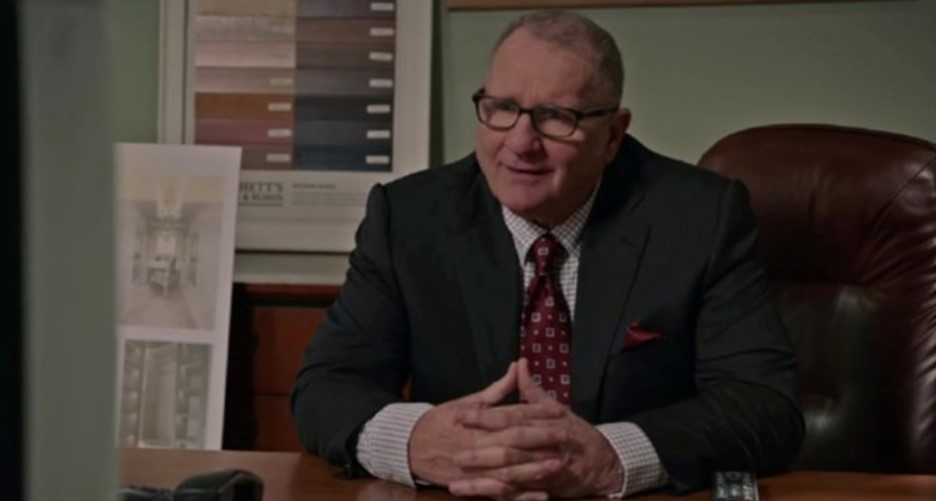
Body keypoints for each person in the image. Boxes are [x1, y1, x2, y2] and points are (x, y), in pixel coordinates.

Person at [292, 9, 804, 500]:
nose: (520, 142)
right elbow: (327, 387)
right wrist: (415, 441)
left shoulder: (699, 217)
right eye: (502, 108)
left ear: (613, 135)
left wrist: (611, 456)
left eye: (555, 117)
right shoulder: (408, 219)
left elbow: (763, 405)